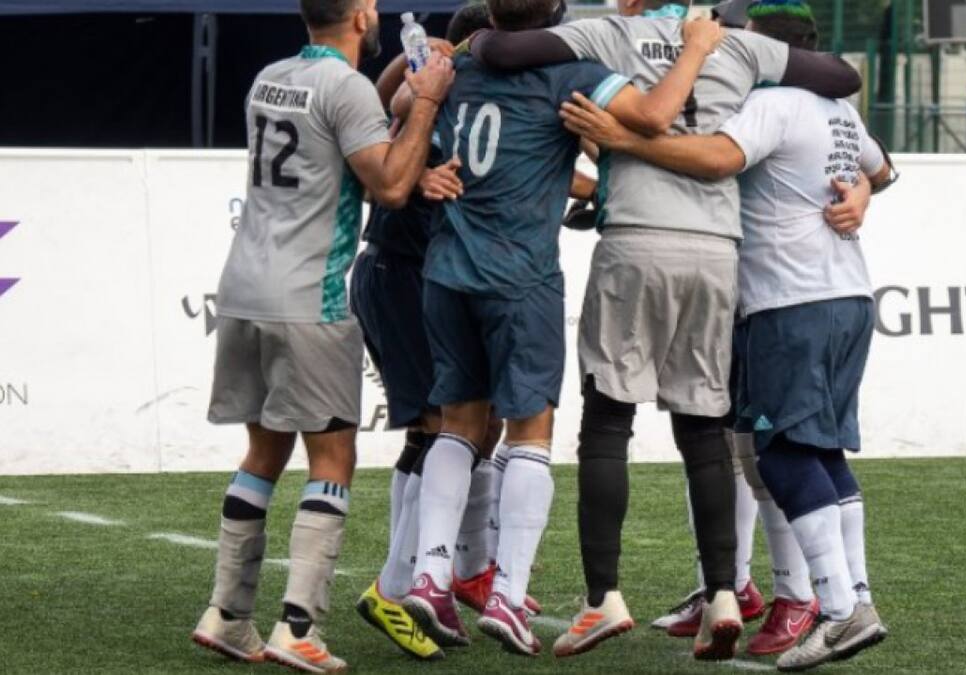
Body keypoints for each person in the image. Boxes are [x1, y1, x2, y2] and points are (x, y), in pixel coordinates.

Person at [469, 0, 861, 661]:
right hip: (717, 251)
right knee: (706, 430)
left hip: (636, 240)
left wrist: (469, 40)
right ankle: (725, 595)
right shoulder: (736, 43)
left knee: (608, 420)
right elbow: (841, 74)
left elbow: (506, 51)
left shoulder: (609, 31)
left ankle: (603, 599)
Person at [398, 0, 724, 658]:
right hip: (520, 277)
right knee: (529, 433)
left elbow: (400, 109)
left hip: (447, 270)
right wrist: (693, 50)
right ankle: (509, 596)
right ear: (556, 15)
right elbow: (657, 116)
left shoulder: (458, 67)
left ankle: (430, 576)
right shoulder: (571, 71)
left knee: (458, 424)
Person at [189, 0, 454, 671]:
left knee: (263, 452)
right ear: (363, 16)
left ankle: (228, 613)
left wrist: (408, 137)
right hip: (311, 295)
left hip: (244, 289)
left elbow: (335, 161)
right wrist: (424, 103)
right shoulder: (348, 88)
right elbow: (388, 185)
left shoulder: (269, 76)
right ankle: (299, 627)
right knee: (332, 459)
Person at [349, 4, 541, 662]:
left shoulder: (446, 85)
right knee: (445, 423)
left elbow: (384, 106)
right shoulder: (450, 87)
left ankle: (455, 567)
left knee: (466, 423)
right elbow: (390, 117)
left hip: (408, 270)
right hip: (400, 270)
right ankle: (399, 584)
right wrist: (417, 60)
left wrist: (409, 60)